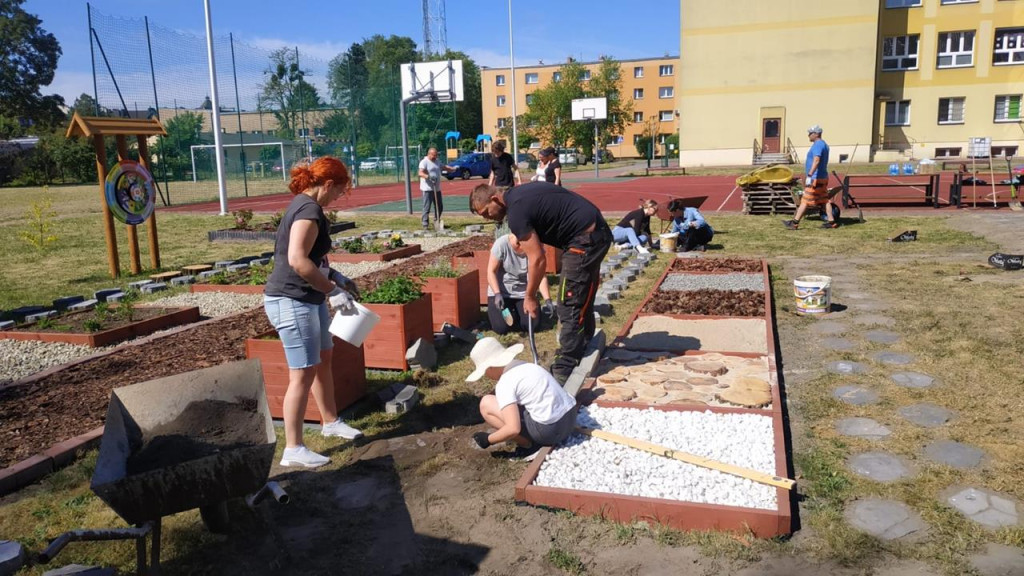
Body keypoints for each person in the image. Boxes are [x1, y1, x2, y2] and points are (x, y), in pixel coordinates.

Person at [264, 157, 363, 468]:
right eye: (339, 192)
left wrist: (337, 278)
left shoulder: (306, 206)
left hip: (308, 298)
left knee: (324, 358)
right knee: (303, 372)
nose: (338, 199)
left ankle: (330, 421)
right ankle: (293, 448)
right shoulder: (308, 209)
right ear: (329, 184)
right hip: (291, 300)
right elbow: (297, 259)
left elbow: (314, 258)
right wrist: (332, 292)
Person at [470, 181, 612, 384]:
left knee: (569, 301)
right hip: (596, 232)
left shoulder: (516, 212)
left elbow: (537, 259)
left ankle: (566, 367)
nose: (487, 218)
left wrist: (529, 296)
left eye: (486, 212)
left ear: (494, 199)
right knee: (583, 293)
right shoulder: (519, 195)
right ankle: (585, 342)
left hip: (584, 239)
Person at [467, 338, 578, 454]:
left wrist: (488, 439)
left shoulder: (505, 383)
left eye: (484, 372)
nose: (486, 376)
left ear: (490, 367)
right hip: (570, 417)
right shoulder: (526, 365)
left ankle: (528, 446)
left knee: (486, 403)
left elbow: (513, 428)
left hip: (551, 431)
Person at [487, 232, 554, 335]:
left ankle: (518, 314)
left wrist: (547, 299)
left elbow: (540, 276)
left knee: (533, 325)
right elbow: (491, 271)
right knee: (501, 328)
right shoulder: (502, 244)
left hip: (524, 294)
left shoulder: (535, 246)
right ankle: (508, 314)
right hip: (502, 294)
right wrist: (497, 293)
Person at [783, 124, 837, 230]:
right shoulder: (824, 144)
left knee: (805, 200)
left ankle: (794, 223)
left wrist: (810, 175)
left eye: (810, 133)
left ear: (816, 134)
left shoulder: (818, 145)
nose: (808, 135)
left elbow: (816, 160)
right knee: (825, 200)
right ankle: (831, 222)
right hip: (822, 177)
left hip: (815, 178)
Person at [418, 147, 456, 229]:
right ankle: (425, 224)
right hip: (427, 189)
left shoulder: (437, 161)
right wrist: (428, 176)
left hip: (437, 188)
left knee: (439, 206)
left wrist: (453, 169)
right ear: (429, 154)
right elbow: (420, 173)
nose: (435, 157)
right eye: (433, 155)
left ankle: (436, 221)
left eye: (436, 155)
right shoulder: (424, 162)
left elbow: (444, 167)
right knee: (427, 207)